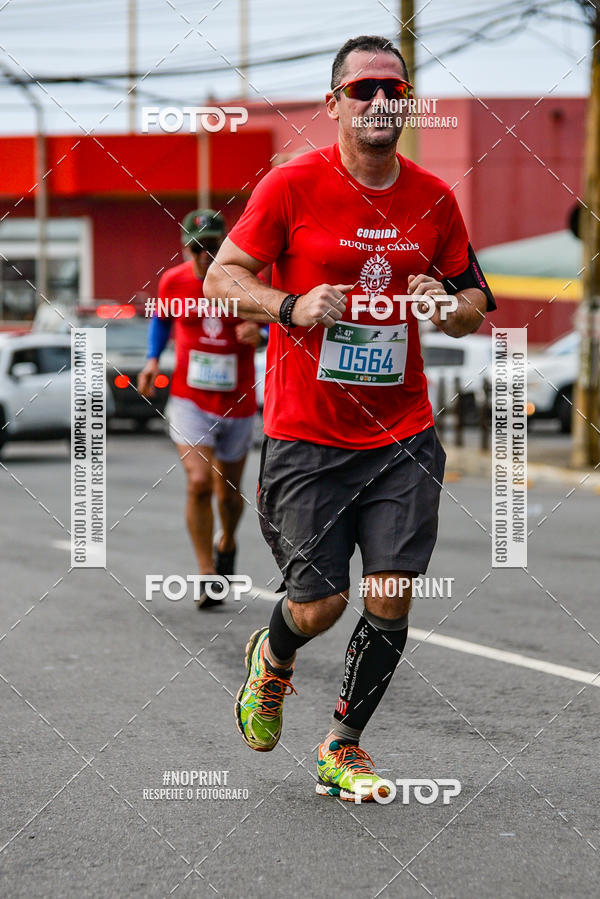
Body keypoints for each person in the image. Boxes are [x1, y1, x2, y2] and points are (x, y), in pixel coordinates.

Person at [205, 35, 496, 799]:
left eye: (392, 88)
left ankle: (343, 745)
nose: (379, 101)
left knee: (392, 591)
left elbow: (474, 298)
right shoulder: (291, 185)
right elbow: (222, 275)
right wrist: (292, 304)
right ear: (334, 104)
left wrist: (449, 308)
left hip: (402, 432)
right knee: (319, 603)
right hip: (307, 433)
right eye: (362, 89)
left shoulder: (434, 197)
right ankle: (272, 659)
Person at [138, 209, 261, 609]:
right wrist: (153, 359)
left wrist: (257, 331)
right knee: (199, 483)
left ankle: (227, 541)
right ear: (185, 248)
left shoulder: (244, 279)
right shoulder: (173, 282)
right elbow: (161, 318)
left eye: (213, 246)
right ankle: (208, 573)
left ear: (224, 244)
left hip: (238, 401)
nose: (206, 255)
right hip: (190, 399)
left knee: (228, 493)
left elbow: (279, 317)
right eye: (197, 248)